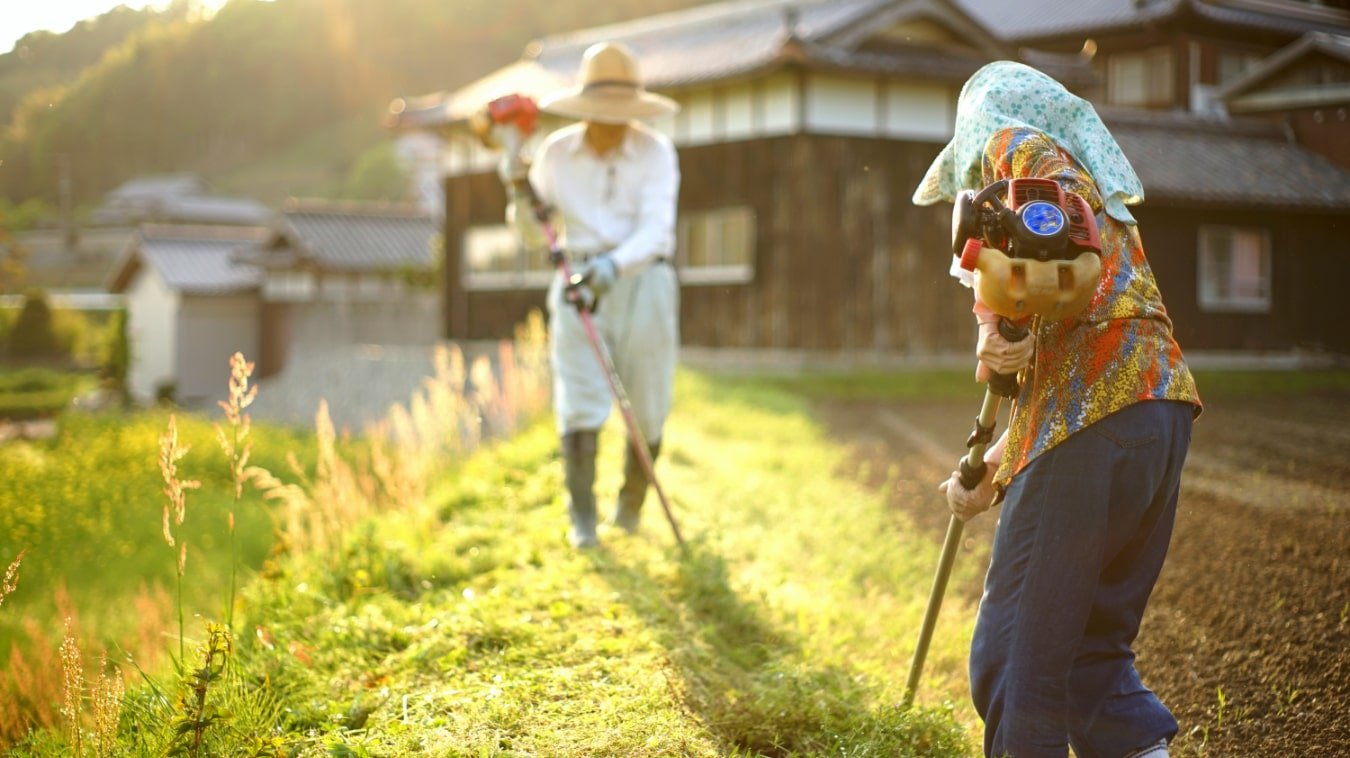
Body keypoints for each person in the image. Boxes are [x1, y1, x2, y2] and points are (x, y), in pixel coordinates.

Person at [913, 61, 1202, 758]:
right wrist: (994, 465)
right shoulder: (1104, 201)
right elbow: (1075, 338)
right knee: (1088, 656)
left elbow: (1044, 239)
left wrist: (993, 317)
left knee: (1016, 663)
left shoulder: (1020, 145)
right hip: (1158, 412)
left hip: (1092, 423)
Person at [500, 41, 681, 549]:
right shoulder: (557, 153)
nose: (610, 124)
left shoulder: (656, 153)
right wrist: (517, 191)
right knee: (580, 400)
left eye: (620, 115)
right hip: (576, 282)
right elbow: (534, 232)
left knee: (647, 403)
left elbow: (657, 230)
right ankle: (583, 519)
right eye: (602, 114)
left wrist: (613, 266)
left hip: (643, 279)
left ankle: (629, 508)